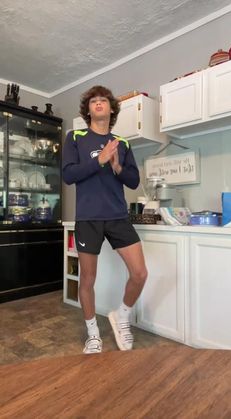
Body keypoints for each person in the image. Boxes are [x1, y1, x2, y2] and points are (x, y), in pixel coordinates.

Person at [62, 85, 147, 354]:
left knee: (140, 273)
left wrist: (117, 166)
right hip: (88, 218)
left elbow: (133, 181)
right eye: (93, 101)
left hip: (118, 216)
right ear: (88, 110)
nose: (98, 104)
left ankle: (121, 316)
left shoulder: (122, 144)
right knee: (87, 280)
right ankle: (93, 335)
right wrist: (99, 160)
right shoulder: (74, 137)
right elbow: (69, 174)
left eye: (103, 101)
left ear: (111, 109)